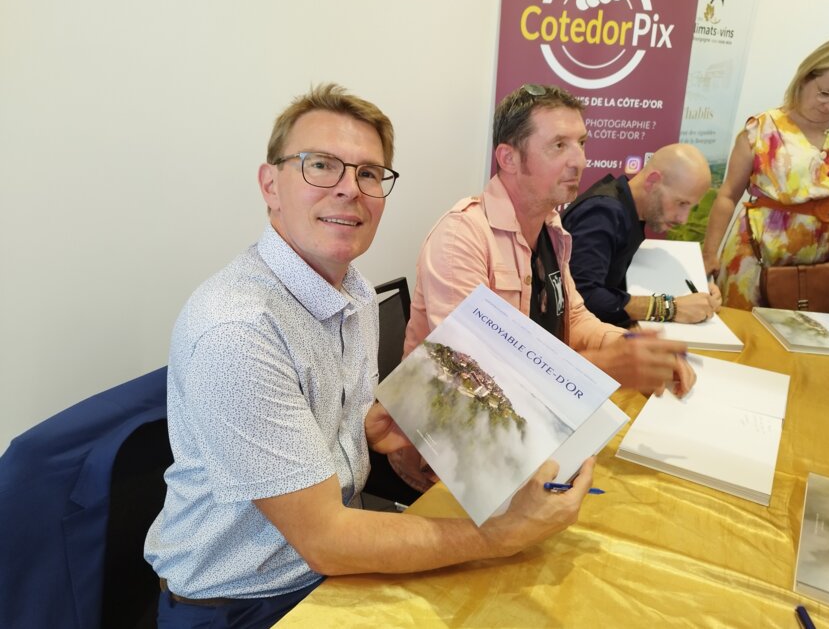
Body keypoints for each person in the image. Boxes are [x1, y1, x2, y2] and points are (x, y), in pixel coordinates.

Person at [143, 84, 597, 629]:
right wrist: (502, 535)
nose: (348, 189)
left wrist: (367, 430)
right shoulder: (238, 329)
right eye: (320, 166)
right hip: (248, 603)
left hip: (328, 571)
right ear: (270, 185)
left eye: (368, 174)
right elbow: (327, 540)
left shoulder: (353, 290)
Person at [391, 84, 695, 493]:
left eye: (581, 143)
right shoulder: (461, 236)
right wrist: (607, 367)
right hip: (450, 457)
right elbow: (473, 377)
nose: (579, 160)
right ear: (508, 158)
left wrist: (632, 347)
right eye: (559, 145)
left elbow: (575, 318)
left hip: (527, 434)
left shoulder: (551, 229)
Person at [702, 36, 829, 310]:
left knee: (808, 335)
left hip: (823, 268)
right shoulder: (763, 129)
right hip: (756, 259)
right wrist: (710, 253)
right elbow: (728, 195)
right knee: (745, 331)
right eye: (824, 93)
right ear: (804, 79)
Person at [561, 144, 721, 327]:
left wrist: (699, 287)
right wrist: (669, 308)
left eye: (690, 207)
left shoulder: (625, 210)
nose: (683, 219)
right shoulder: (603, 213)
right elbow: (582, 296)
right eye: (681, 203)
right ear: (652, 181)